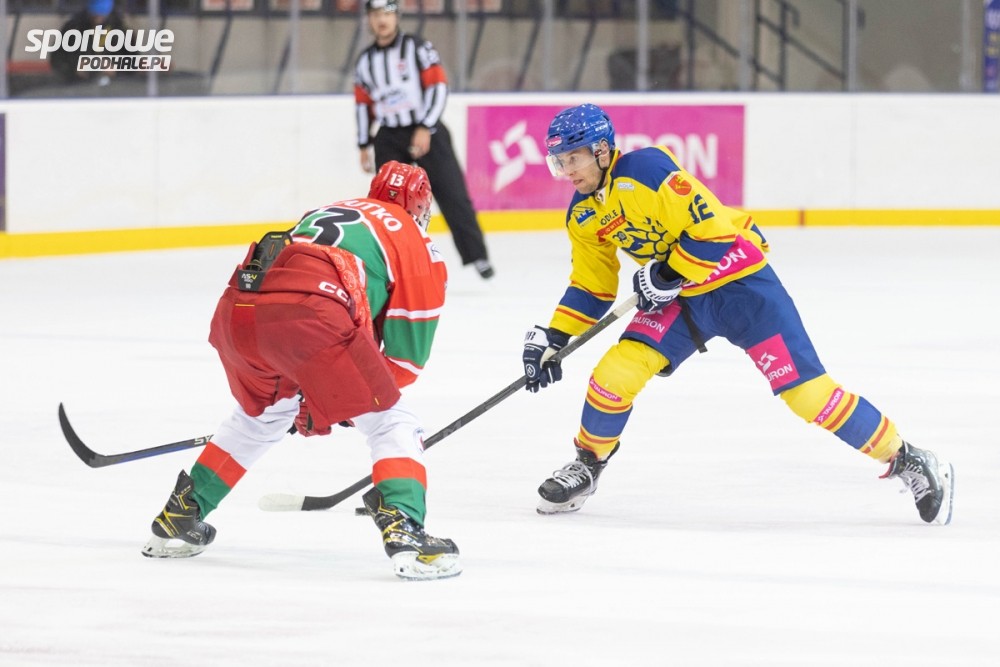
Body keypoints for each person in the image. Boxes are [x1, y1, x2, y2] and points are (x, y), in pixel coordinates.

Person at [520, 103, 955, 525]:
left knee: (808, 396)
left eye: (573, 158)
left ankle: (908, 458)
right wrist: (554, 337)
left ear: (601, 150)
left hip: (742, 286)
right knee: (615, 374)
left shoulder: (646, 171)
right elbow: (592, 286)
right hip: (684, 299)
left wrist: (666, 272)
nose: (567, 170)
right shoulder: (583, 214)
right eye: (560, 161)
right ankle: (588, 464)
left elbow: (714, 233)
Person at [142, 161, 461, 581]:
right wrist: (335, 401)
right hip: (310, 318)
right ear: (421, 207)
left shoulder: (334, 209)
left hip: (238, 311)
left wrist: (318, 395)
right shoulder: (415, 241)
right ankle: (405, 528)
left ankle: (181, 514)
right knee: (391, 421)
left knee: (262, 417)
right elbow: (405, 362)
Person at [353, 0, 495, 280]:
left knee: (452, 192)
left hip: (427, 129)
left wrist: (426, 126)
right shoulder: (365, 61)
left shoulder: (418, 48)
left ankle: (476, 255)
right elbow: (362, 104)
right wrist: (363, 144)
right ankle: (396, 263)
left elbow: (438, 86)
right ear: (369, 19)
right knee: (389, 204)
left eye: (387, 13)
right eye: (376, 14)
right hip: (389, 135)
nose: (382, 20)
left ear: (397, 16)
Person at [50, 0, 127, 85]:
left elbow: (133, 61)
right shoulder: (74, 27)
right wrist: (75, 68)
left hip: (113, 87)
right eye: (95, 13)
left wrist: (115, 69)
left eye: (102, 13)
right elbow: (57, 58)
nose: (98, 16)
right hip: (77, 86)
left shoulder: (118, 28)